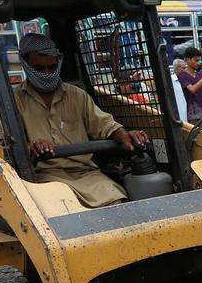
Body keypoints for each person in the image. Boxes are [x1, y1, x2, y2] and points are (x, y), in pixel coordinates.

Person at [14, 33, 150, 208]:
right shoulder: (15, 100)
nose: (47, 74)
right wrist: (31, 146)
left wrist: (124, 136)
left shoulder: (77, 96)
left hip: (85, 173)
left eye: (51, 67)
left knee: (117, 200)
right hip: (44, 177)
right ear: (26, 65)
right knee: (59, 209)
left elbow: (105, 125)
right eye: (40, 69)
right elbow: (10, 145)